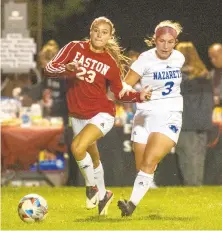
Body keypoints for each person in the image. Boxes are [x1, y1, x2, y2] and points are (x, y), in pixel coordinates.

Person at [44, 16, 152, 216]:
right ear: (90, 31)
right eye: (96, 30)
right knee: (92, 158)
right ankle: (103, 195)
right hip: (77, 115)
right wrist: (65, 69)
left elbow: (119, 92)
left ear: (110, 36)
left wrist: (139, 95)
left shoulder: (110, 63)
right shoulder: (74, 48)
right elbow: (49, 68)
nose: (99, 35)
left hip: (102, 113)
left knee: (77, 147)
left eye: (104, 32)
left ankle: (92, 188)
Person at [117, 20, 185, 216]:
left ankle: (130, 205)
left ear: (176, 42)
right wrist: (137, 95)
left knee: (149, 162)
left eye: (170, 42)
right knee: (143, 167)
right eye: (162, 41)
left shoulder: (179, 58)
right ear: (154, 40)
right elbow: (124, 88)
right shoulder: (144, 59)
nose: (165, 46)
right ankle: (141, 188)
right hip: (144, 115)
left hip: (170, 114)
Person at [175, 42, 213, 186]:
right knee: (196, 160)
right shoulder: (205, 77)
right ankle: (194, 191)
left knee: (187, 160)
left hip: (186, 124)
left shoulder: (183, 79)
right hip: (201, 125)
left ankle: (193, 190)